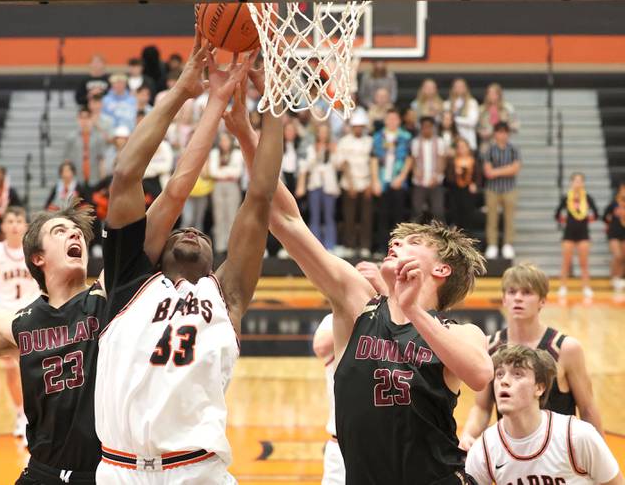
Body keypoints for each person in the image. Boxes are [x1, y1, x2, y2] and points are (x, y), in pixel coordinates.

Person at [0, 34, 240, 485]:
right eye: (60, 231)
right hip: (40, 474)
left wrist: (212, 103)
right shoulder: (17, 325)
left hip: (105, 473)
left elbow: (177, 188)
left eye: (77, 231)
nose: (74, 234)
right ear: (38, 257)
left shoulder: (112, 296)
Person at [227, 72, 492, 485]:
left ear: (442, 269)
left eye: (414, 242)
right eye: (397, 239)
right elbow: (284, 218)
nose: (396, 243)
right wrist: (247, 133)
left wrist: (412, 310)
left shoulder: (463, 333)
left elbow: (480, 375)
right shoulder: (357, 304)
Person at [95, 48, 280, 484]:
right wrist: (184, 91)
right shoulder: (129, 282)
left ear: (217, 261)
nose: (191, 231)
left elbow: (260, 197)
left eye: (200, 235)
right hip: (120, 470)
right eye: (179, 232)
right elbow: (126, 174)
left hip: (198, 471)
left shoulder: (227, 294)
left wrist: (272, 107)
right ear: (156, 253)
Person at [460, 263, 604, 450]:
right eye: (512, 292)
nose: (518, 298)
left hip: (559, 454)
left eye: (527, 292)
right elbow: (481, 407)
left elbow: (587, 408)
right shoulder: (490, 346)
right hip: (513, 453)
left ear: (542, 301)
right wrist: (468, 434)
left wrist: (601, 455)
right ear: (504, 299)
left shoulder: (566, 348)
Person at [465, 345, 623, 485]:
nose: (504, 381)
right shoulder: (483, 449)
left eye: (517, 374)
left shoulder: (577, 435)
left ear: (539, 388)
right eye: (499, 374)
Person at [0, 206, 41, 438]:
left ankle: (36, 416)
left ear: (25, 225)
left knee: (34, 372)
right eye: (10, 221)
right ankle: (20, 415)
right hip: (5, 318)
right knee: (12, 370)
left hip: (32, 316)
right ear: (2, 226)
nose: (14, 225)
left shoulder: (33, 251)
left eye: (18, 221)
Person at [370, 108, 413, 253]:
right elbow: (374, 159)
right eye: (389, 119)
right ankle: (382, 248)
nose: (392, 121)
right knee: (382, 215)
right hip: (382, 180)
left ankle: (398, 249)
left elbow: (409, 159)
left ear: (399, 121)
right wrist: (375, 181)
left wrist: (401, 177)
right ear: (385, 120)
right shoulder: (378, 136)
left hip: (398, 181)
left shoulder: (405, 137)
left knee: (398, 217)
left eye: (395, 119)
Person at [335, 109, 374, 259]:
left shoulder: (369, 141)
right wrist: (351, 184)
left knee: (366, 217)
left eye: (361, 126)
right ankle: (349, 246)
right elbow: (342, 164)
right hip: (349, 183)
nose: (358, 129)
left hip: (366, 183)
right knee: (349, 217)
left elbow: (372, 163)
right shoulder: (344, 141)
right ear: (352, 127)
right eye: (356, 126)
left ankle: (365, 246)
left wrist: (370, 183)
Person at [313, 314, 345, 485]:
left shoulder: (390, 318)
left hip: (382, 441)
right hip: (339, 444)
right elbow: (320, 346)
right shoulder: (334, 319)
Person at [555, 173, 599, 298]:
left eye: (580, 181)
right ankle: (562, 287)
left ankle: (586, 287)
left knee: (584, 263)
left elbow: (596, 214)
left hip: (583, 233)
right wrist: (565, 220)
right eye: (575, 181)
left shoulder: (588, 198)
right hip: (568, 233)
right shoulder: (566, 197)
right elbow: (557, 214)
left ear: (583, 183)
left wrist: (587, 220)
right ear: (572, 183)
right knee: (566, 262)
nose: (578, 183)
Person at [298, 123, 340, 252]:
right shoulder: (312, 148)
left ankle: (330, 245)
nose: (323, 134)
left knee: (329, 216)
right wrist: (317, 153)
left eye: (325, 132)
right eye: (321, 132)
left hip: (329, 186)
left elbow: (338, 165)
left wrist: (334, 152)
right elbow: (308, 166)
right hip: (315, 185)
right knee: (314, 216)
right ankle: (315, 247)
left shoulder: (333, 147)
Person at [482, 121, 521, 260]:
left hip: (509, 189)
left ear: (508, 134)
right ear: (495, 134)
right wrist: (506, 169)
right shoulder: (490, 150)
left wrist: (496, 171)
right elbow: (487, 172)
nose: (502, 135)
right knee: (492, 218)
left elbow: (515, 169)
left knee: (509, 218)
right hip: (492, 190)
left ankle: (508, 244)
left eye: (504, 132)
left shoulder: (514, 149)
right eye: (499, 132)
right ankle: (492, 244)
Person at [209, 132, 244, 255]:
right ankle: (220, 247)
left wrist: (222, 170)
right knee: (219, 216)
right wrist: (228, 171)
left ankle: (231, 247)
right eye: (222, 140)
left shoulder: (237, 153)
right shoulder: (214, 153)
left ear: (230, 141)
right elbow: (213, 172)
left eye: (226, 140)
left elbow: (237, 172)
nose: (224, 143)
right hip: (218, 185)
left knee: (232, 216)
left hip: (232, 185)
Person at [63, 101, 114, 187]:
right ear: (78, 119)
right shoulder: (71, 138)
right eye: (82, 118)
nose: (84, 121)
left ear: (91, 119)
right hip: (76, 179)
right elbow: (67, 160)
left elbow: (102, 159)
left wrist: (103, 179)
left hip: (94, 179)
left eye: (87, 117)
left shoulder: (98, 137)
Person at [410, 116, 448, 222]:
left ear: (433, 128)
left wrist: (437, 176)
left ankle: (439, 233)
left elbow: (442, 160)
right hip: (419, 182)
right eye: (424, 127)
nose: (426, 129)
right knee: (416, 212)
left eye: (429, 127)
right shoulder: (416, 142)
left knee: (438, 212)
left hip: (436, 182)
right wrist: (415, 171)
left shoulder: (439, 141)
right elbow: (413, 160)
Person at [445, 137, 482, 232]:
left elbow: (478, 176)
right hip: (455, 191)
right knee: (455, 215)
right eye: (459, 147)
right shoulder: (453, 161)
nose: (461, 149)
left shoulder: (473, 161)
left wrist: (475, 184)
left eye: (463, 146)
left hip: (468, 191)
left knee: (468, 216)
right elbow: (448, 178)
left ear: (468, 148)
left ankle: (467, 234)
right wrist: (456, 174)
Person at [477, 83, 519, 154]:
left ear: (499, 95)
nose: (491, 95)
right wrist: (482, 133)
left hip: (504, 145)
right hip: (487, 145)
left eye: (494, 93)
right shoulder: (481, 109)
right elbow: (477, 127)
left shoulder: (507, 108)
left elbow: (515, 125)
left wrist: (504, 129)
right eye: (489, 93)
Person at [444, 78, 480, 151]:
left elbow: (472, 122)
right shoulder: (447, 104)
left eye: (461, 86)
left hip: (468, 141)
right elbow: (445, 123)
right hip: (452, 142)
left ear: (466, 88)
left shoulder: (472, 102)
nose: (459, 89)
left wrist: (453, 118)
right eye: (456, 86)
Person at [603, 181, 625, 293]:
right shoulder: (614, 203)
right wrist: (609, 221)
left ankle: (619, 279)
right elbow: (604, 216)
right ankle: (614, 278)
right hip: (614, 232)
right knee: (617, 255)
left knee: (623, 257)